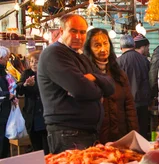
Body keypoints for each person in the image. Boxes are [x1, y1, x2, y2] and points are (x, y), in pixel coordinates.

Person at [37, 14, 115, 153]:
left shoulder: (81, 56)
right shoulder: (54, 54)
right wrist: (98, 88)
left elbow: (110, 85)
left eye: (82, 32)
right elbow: (81, 90)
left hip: (86, 133)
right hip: (67, 133)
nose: (78, 36)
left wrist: (94, 78)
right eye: (73, 31)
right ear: (61, 31)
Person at [83, 28, 138, 144]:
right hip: (96, 139)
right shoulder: (85, 73)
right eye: (97, 45)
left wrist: (134, 133)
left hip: (121, 135)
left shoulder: (118, 73)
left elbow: (129, 106)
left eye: (105, 43)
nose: (103, 49)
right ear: (89, 48)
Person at [118, 34, 151, 139]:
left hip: (126, 104)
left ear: (121, 47)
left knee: (129, 135)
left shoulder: (118, 61)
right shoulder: (145, 60)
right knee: (142, 133)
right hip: (144, 102)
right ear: (133, 45)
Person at [16, 51, 48, 154]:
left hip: (45, 114)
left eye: (36, 61)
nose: (33, 64)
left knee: (47, 147)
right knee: (36, 147)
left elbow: (47, 90)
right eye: (31, 61)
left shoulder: (47, 73)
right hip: (32, 115)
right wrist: (25, 84)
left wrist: (34, 85)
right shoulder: (26, 73)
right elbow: (19, 89)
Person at [0, 47, 17, 158]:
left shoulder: (3, 71)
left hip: (5, 111)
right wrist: (7, 94)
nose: (7, 61)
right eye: (6, 58)